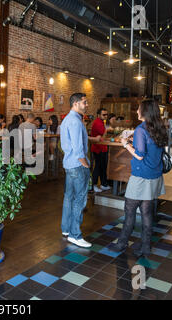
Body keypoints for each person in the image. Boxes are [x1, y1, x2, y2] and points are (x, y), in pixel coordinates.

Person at [109, 99, 167, 257]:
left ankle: (121, 244)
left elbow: (140, 156)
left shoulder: (142, 129)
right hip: (155, 175)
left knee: (129, 210)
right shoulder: (160, 127)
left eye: (139, 109)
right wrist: (132, 139)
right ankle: (146, 246)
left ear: (145, 111)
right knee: (147, 212)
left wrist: (125, 144)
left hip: (141, 176)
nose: (137, 111)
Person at [60, 93, 101, 248]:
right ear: (76, 103)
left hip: (69, 164)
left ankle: (66, 229)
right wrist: (86, 164)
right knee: (79, 200)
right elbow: (78, 150)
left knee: (69, 197)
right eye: (85, 102)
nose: (87, 105)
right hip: (77, 165)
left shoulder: (68, 120)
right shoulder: (76, 122)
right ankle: (75, 235)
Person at [91, 108, 111, 193]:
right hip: (98, 148)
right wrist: (107, 129)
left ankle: (103, 184)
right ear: (98, 115)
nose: (106, 116)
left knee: (103, 167)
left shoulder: (102, 122)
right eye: (104, 115)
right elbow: (103, 135)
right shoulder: (98, 123)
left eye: (106, 114)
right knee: (98, 167)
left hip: (102, 147)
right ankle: (94, 185)